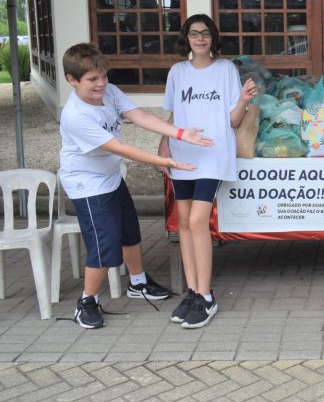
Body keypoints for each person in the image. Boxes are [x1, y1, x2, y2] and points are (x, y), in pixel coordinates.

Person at [59, 43, 212, 329]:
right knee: (105, 247)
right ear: (72, 80)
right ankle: (87, 301)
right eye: (92, 79)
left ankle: (138, 283)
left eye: (103, 76)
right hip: (87, 185)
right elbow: (122, 148)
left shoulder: (109, 92)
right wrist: (167, 161)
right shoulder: (76, 116)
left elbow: (140, 116)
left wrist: (180, 133)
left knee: (130, 232)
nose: (101, 83)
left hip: (111, 177)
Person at [159, 14, 258, 329]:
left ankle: (207, 297)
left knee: (198, 221)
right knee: (184, 223)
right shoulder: (177, 72)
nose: (199, 38)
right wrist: (164, 143)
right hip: (183, 152)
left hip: (213, 153)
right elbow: (173, 114)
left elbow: (232, 121)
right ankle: (192, 290)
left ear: (214, 37)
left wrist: (243, 99)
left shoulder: (226, 69)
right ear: (185, 37)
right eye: (193, 33)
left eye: (205, 33)